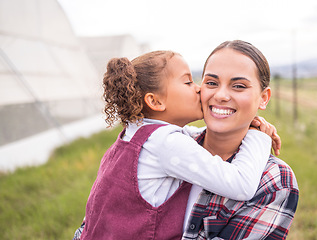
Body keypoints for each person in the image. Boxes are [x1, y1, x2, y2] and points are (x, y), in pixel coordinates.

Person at [75, 50, 281, 239]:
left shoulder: (137, 134)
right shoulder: (166, 144)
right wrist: (258, 136)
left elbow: (189, 136)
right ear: (155, 102)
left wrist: (242, 128)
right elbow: (241, 185)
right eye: (188, 82)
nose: (199, 89)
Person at [181, 40, 299, 240]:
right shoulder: (174, 144)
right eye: (211, 83)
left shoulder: (275, 181)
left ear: (263, 98)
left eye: (238, 86)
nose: (221, 95)